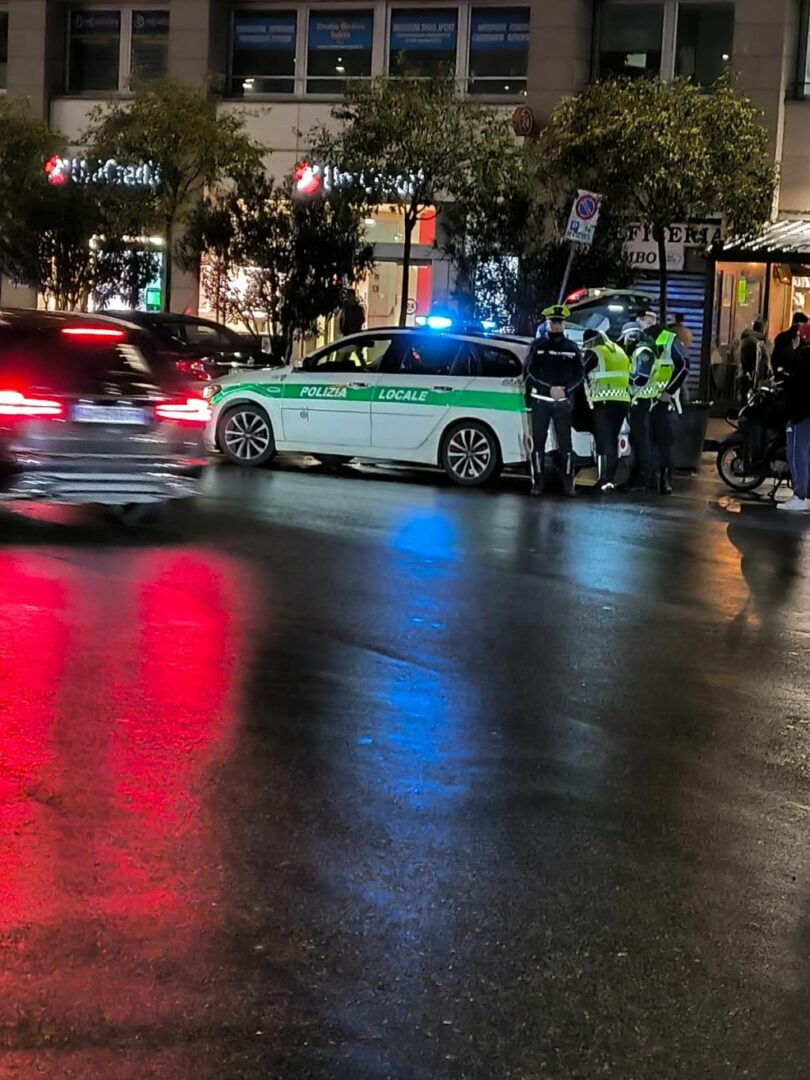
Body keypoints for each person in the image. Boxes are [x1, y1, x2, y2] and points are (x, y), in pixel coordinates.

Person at [524, 304, 584, 497]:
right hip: (541, 401)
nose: (556, 325)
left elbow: (580, 375)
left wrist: (565, 390)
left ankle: (568, 483)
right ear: (548, 324)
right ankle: (538, 482)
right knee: (538, 445)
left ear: (564, 324)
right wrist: (548, 389)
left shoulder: (572, 348)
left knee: (566, 446)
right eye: (553, 322)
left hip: (562, 403)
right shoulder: (538, 346)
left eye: (559, 322)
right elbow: (529, 372)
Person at [630, 310, 688, 495]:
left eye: (640, 320)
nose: (638, 324)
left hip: (662, 401)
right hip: (649, 399)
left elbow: (683, 366)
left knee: (661, 442)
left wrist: (668, 391)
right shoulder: (643, 338)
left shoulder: (666, 338)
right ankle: (651, 480)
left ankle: (663, 480)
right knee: (649, 442)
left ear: (648, 320)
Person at [582, 328, 631, 492]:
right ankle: (609, 478)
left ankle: (603, 479)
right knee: (613, 440)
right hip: (622, 401)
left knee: (604, 441)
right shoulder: (620, 352)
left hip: (603, 400)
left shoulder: (595, 352)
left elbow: (580, 372)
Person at [778, 321, 810, 512]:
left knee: (796, 452)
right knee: (805, 454)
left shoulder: (803, 357)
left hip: (801, 413)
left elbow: (796, 386)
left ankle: (799, 495)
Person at [738, 317, 770, 399]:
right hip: (753, 380)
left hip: (744, 376)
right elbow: (763, 363)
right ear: (763, 329)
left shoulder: (746, 339)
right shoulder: (757, 343)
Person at [772, 311, 807, 379]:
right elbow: (776, 359)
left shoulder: (803, 340)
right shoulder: (783, 338)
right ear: (795, 323)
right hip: (785, 375)